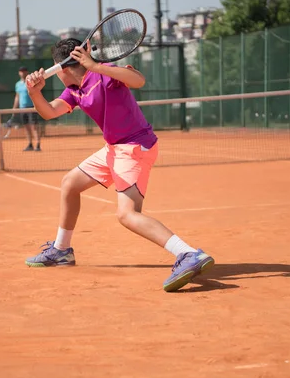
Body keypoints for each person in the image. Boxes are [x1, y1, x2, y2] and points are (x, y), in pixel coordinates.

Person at [24, 39, 214, 292]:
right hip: (113, 148)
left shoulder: (104, 74)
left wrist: (95, 66)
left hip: (135, 147)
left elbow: (138, 81)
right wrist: (34, 93)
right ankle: (61, 250)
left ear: (62, 68)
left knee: (127, 215)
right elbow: (48, 112)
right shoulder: (74, 91)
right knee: (70, 183)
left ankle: (189, 254)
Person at [13, 66, 43, 151]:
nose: (22, 73)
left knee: (34, 127)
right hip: (22, 108)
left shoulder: (31, 82)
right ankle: (30, 144)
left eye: (24, 71)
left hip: (32, 108)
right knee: (26, 127)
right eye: (21, 71)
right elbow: (17, 97)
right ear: (19, 73)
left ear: (27, 72)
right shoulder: (17, 84)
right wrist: (14, 108)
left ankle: (37, 145)